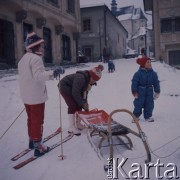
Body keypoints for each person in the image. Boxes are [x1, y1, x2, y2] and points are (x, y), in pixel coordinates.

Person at [18, 32, 64, 157]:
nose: (43, 49)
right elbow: (39, 76)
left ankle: (32, 141)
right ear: (34, 46)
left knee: (31, 119)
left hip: (26, 96)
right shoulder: (36, 59)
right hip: (36, 96)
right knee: (38, 121)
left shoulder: (23, 59)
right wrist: (54, 73)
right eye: (41, 46)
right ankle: (38, 146)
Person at [58, 64, 104, 135]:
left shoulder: (89, 82)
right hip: (64, 86)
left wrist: (85, 104)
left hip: (73, 88)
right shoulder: (81, 78)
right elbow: (75, 92)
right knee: (72, 105)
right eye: (94, 80)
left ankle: (78, 124)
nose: (94, 82)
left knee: (79, 105)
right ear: (91, 76)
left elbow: (84, 95)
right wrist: (82, 103)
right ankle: (71, 127)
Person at [131, 56, 160, 122]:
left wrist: (157, 92)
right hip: (140, 92)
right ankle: (136, 116)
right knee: (138, 104)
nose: (150, 63)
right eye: (148, 62)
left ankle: (148, 116)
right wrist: (134, 92)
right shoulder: (138, 74)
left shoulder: (153, 74)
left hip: (149, 91)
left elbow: (156, 82)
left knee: (149, 104)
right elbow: (134, 82)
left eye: (150, 62)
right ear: (143, 64)